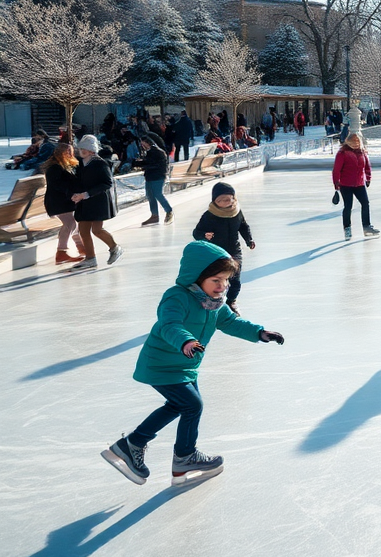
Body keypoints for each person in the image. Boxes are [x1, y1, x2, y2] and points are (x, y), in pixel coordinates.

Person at [101, 240, 284, 486]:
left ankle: (151, 450)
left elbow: (231, 323)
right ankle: (173, 454)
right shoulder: (176, 297)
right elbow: (170, 325)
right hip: (162, 363)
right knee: (191, 406)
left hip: (186, 366)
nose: (223, 286)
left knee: (181, 406)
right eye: (216, 280)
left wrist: (260, 333)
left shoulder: (214, 303)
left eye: (226, 280)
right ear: (197, 278)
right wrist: (186, 341)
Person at [191, 183, 254, 313]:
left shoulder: (237, 212)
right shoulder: (209, 215)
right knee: (216, 279)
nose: (224, 203)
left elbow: (243, 226)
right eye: (219, 200)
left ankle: (231, 302)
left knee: (235, 280)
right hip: (215, 252)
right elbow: (196, 233)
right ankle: (210, 302)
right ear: (214, 201)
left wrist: (249, 240)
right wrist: (204, 235)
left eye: (227, 199)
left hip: (234, 251)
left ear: (233, 198)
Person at [68, 134, 122, 270]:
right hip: (85, 202)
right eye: (81, 149)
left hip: (97, 202)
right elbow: (79, 181)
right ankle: (90, 258)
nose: (82, 151)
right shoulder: (81, 164)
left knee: (97, 230)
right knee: (83, 230)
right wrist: (76, 194)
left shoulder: (99, 163)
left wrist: (86, 194)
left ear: (92, 150)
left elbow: (107, 183)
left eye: (85, 149)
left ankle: (115, 248)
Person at [41, 143, 86, 265]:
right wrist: (72, 193)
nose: (71, 154)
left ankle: (80, 247)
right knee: (70, 223)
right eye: (68, 152)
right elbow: (58, 185)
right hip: (57, 202)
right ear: (60, 153)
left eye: (71, 151)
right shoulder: (55, 167)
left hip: (64, 201)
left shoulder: (65, 165)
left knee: (73, 223)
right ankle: (61, 252)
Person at [333, 134, 378, 240]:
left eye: (357, 142)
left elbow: (367, 166)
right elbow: (336, 169)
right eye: (354, 142)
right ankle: (347, 228)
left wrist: (368, 177)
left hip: (359, 183)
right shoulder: (342, 153)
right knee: (348, 206)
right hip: (346, 184)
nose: (356, 144)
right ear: (348, 142)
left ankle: (367, 227)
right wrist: (336, 182)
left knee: (365, 203)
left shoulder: (362, 152)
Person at [135, 135, 173, 226]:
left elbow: (154, 164)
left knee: (157, 194)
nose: (141, 145)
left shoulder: (156, 152)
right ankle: (154, 215)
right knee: (150, 195)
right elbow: (149, 163)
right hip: (150, 176)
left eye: (143, 143)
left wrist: (141, 164)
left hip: (157, 176)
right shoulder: (150, 152)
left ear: (148, 143)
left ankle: (169, 211)